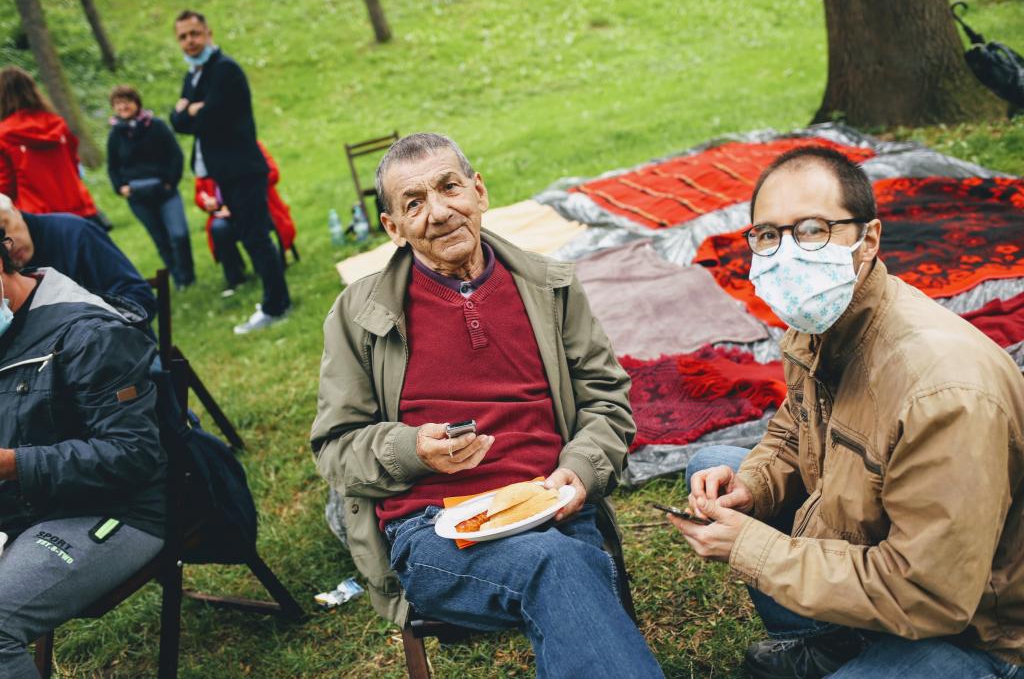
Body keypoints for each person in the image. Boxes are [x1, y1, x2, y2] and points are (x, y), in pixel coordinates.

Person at [311, 133, 663, 679]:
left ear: (478, 191)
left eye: (449, 187)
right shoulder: (359, 313)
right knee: (563, 567)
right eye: (413, 203)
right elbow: (334, 449)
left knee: (561, 561)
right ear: (392, 228)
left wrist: (579, 470)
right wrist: (412, 449)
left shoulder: (550, 287)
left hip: (552, 504)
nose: (439, 212)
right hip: (435, 530)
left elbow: (606, 399)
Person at [670, 146, 1024, 678]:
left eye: (812, 230)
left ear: (869, 240)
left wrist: (756, 549)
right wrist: (755, 484)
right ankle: (837, 643)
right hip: (882, 567)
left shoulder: (946, 393)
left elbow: (928, 596)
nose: (787, 253)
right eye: (767, 235)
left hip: (974, 632)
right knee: (716, 463)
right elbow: (794, 429)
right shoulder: (823, 322)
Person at [0, 227, 166, 676]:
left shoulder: (87, 333)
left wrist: (13, 465)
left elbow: (134, 454)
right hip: (21, 508)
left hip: (113, 509)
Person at [169, 9, 291, 334]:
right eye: (183, 36)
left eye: (194, 34)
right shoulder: (194, 74)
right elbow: (178, 120)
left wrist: (194, 111)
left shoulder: (224, 70)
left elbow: (209, 118)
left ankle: (276, 306)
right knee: (252, 237)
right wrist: (192, 110)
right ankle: (275, 301)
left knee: (255, 237)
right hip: (225, 171)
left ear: (208, 33)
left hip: (242, 168)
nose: (190, 41)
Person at [0, 192, 156, 324]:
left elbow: (139, 297)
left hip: (123, 345)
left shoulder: (75, 233)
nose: (7, 246)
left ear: (15, 209)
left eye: (3, 230)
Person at [107, 84, 195, 290]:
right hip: (138, 198)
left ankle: (188, 273)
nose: (122, 107)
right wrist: (121, 188)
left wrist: (169, 182)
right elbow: (113, 167)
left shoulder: (156, 126)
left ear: (136, 102)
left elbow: (175, 155)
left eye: (126, 101)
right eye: (117, 104)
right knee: (160, 239)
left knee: (178, 234)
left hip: (165, 192)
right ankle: (178, 277)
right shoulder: (115, 135)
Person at [0, 66, 102, 228]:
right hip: (80, 210)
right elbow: (74, 166)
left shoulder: (4, 135)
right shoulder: (57, 123)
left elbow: (5, 185)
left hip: (40, 217)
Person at [194, 141, 297, 297]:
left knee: (253, 227)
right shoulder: (207, 155)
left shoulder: (247, 144)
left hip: (255, 204)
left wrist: (239, 197)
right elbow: (199, 191)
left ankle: (267, 272)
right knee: (219, 229)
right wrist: (207, 201)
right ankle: (236, 277)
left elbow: (272, 173)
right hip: (222, 212)